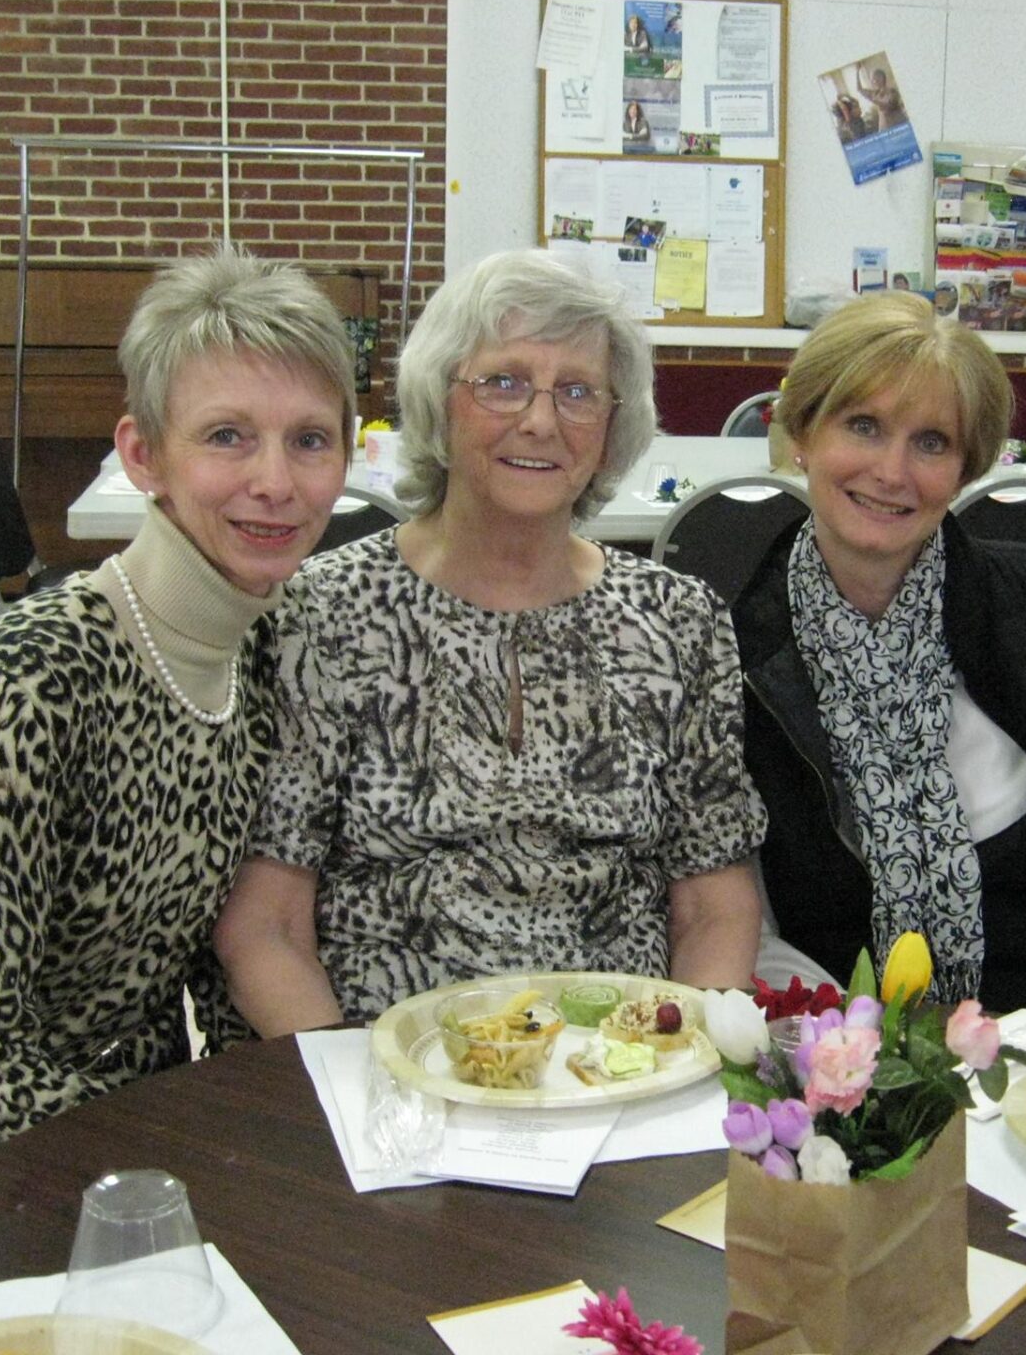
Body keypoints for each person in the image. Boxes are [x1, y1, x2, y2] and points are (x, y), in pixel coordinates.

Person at [0, 247, 356, 1267]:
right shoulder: (38, 678)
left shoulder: (275, 638)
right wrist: (177, 1170)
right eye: (228, 436)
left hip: (131, 1133)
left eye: (309, 440)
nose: (277, 483)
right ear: (143, 455)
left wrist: (288, 1138)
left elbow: (227, 954)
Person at [212, 249, 767, 1032]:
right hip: (390, 1066)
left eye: (577, 391)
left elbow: (715, 908)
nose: (540, 420)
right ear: (440, 401)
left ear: (612, 427)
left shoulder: (680, 623)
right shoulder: (321, 616)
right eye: (502, 382)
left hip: (610, 1067)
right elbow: (264, 928)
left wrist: (672, 1061)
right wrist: (366, 1103)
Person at [732, 293, 1026, 1013]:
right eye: (863, 426)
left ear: (966, 469)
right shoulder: (734, 659)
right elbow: (750, 932)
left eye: (931, 443)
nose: (892, 472)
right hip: (844, 1066)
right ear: (801, 434)